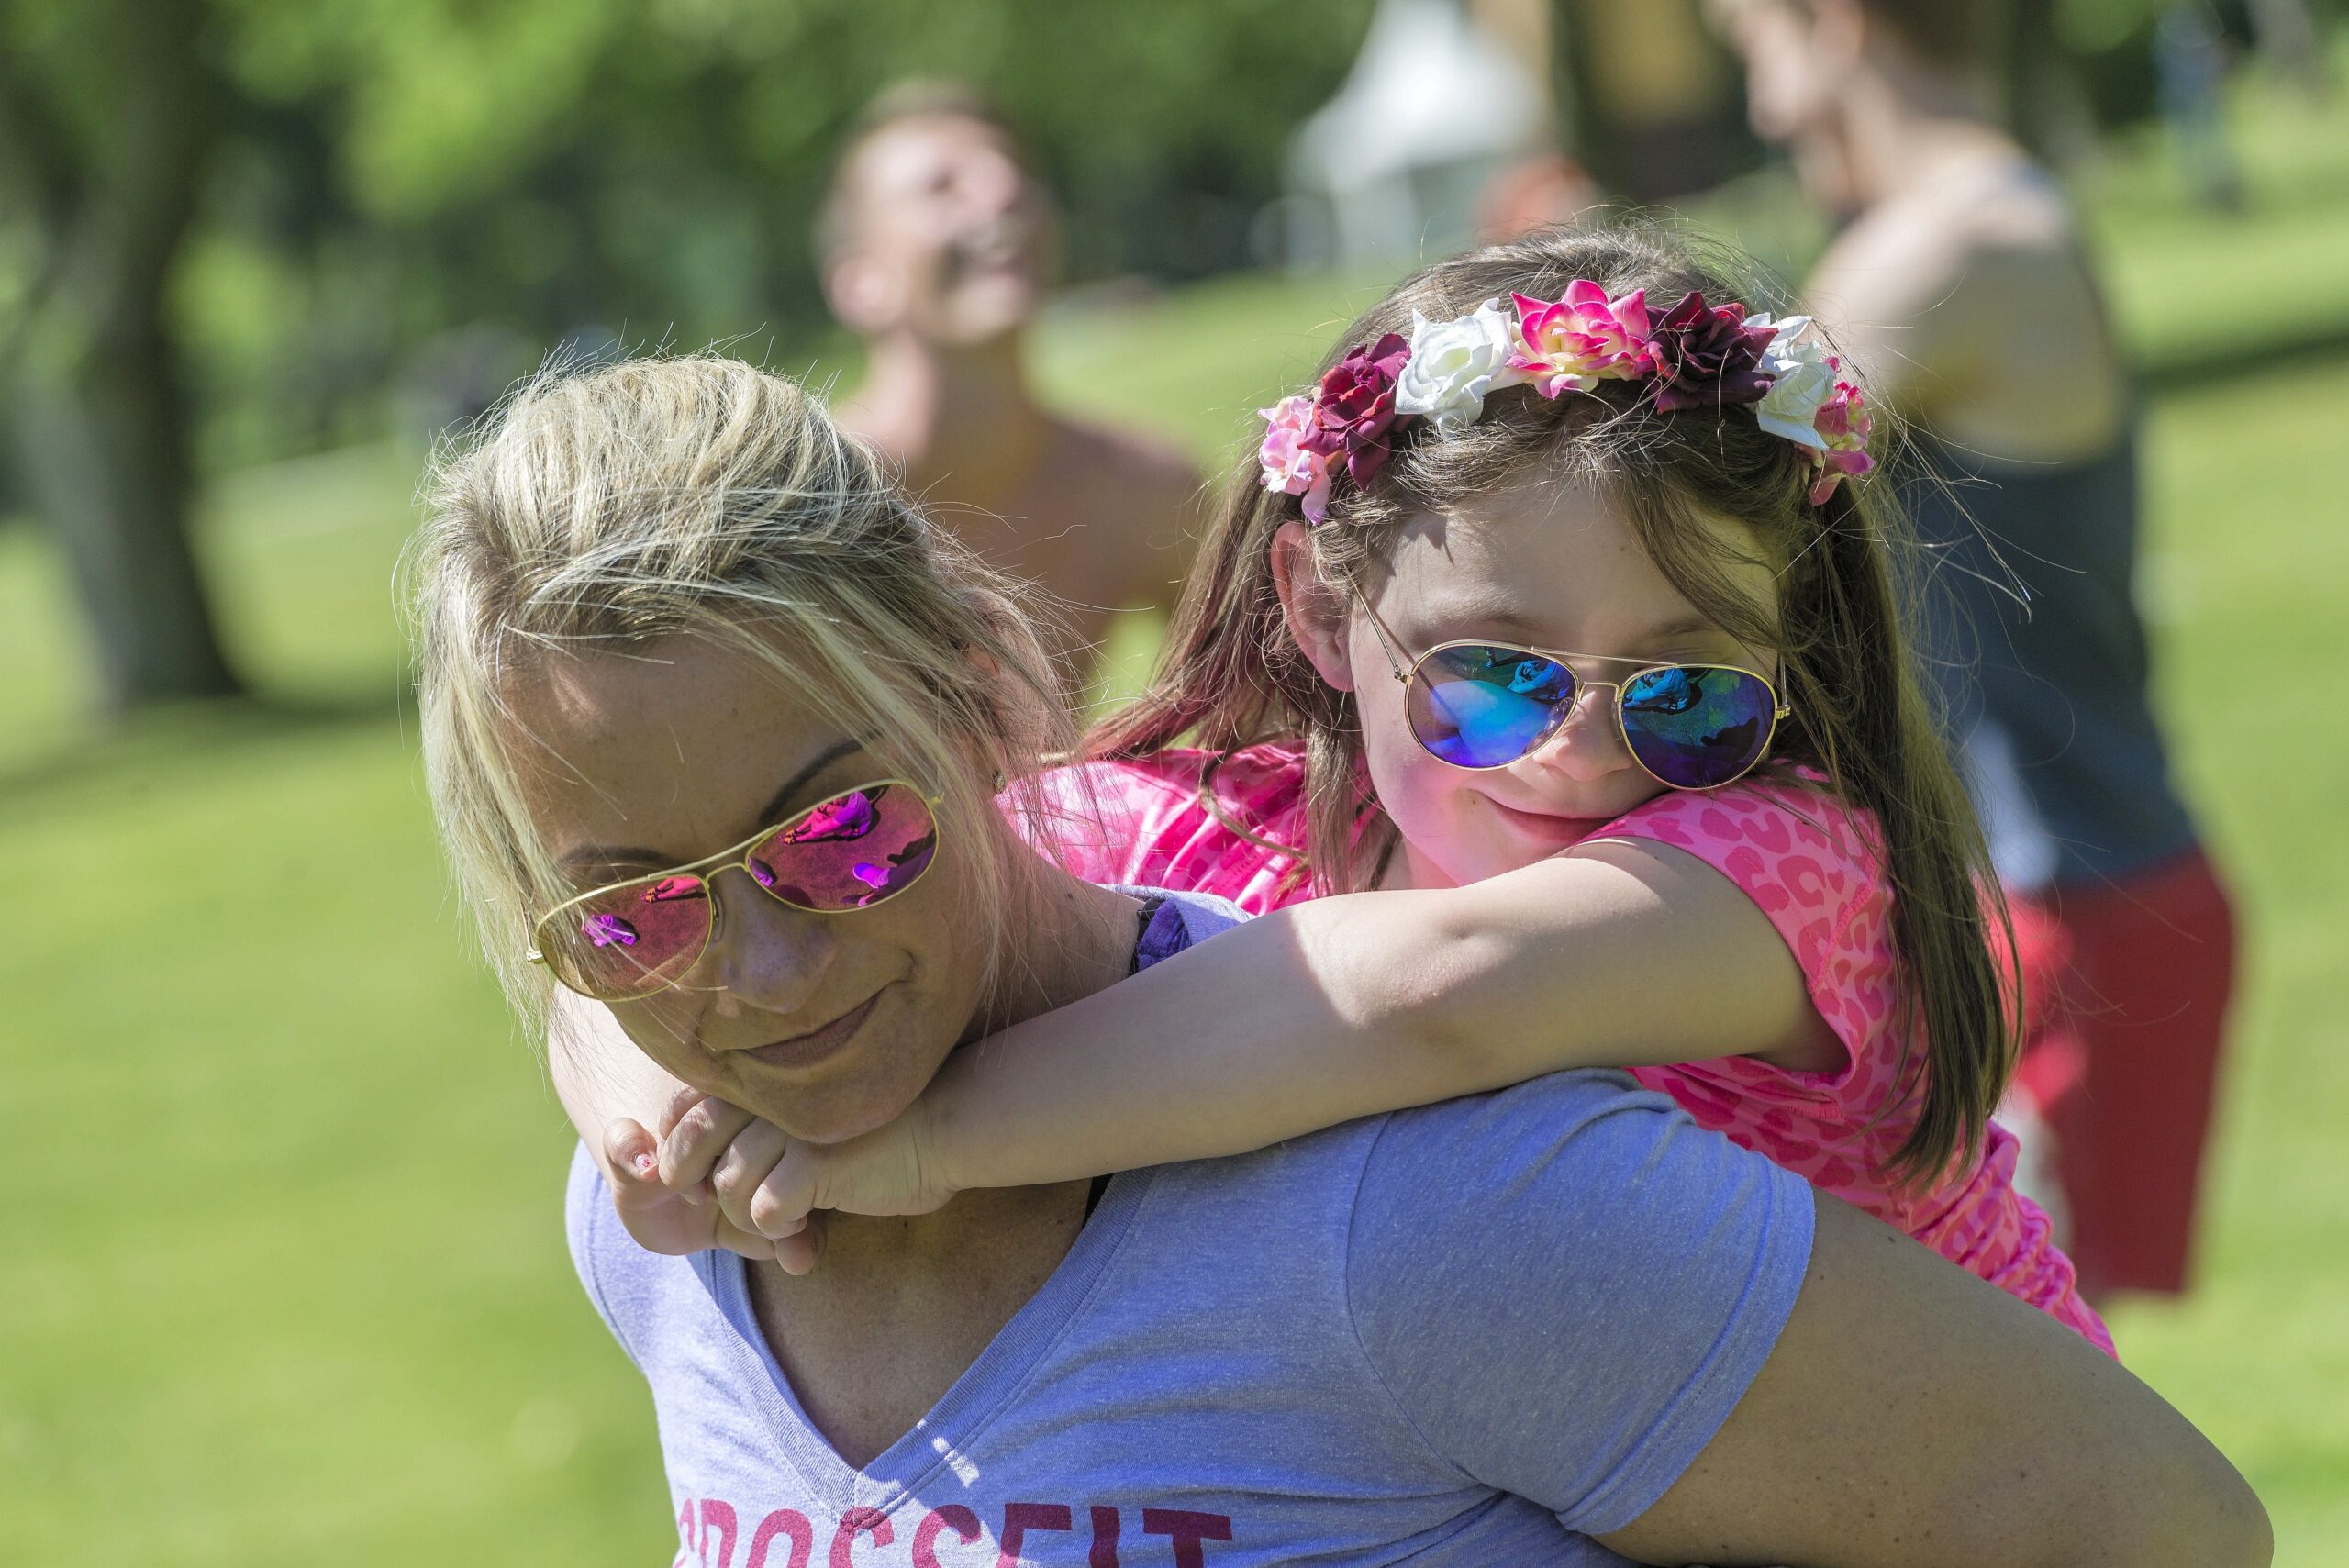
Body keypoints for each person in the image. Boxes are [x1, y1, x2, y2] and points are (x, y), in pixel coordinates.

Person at [412, 352, 2268, 1564]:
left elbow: (2152, 1524)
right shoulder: (663, 1219)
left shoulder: (1440, 1190)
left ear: (981, 690)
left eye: (836, 833)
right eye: (630, 907)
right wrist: (638, 1097)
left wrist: (914, 1143)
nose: (752, 976)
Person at [587, 224, 2108, 1354]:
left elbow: (1438, 991)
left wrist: (914, 1142)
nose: (1577, 751)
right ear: (1321, 609)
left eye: (1689, 690)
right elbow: (757, 898)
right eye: (1491, 676)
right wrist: (653, 1105)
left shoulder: (1785, 858)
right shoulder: (1215, 822)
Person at [1709, 0, 2238, 1299]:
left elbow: (1708, 523)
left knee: (2014, 1387)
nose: (1762, 108)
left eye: (1753, 50)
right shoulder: (1996, 224)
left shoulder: (1957, 254)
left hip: (2062, 907)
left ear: (1829, 26)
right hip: (2059, 893)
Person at [817, 80, 1201, 676]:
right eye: (941, 186)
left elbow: (1267, 713)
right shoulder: (807, 514)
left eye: (1012, 170)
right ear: (860, 281)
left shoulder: (1143, 489)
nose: (1004, 191)